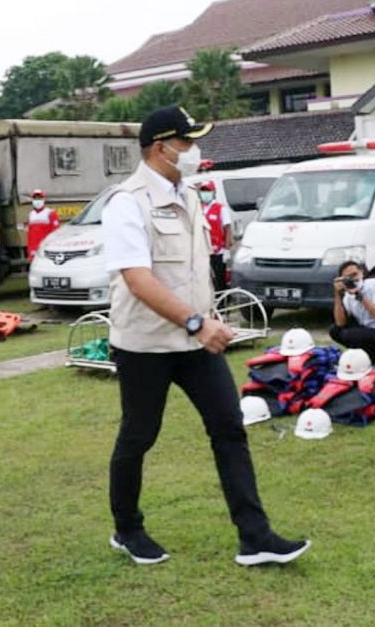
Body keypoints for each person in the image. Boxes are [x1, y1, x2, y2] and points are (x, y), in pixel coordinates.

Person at [102, 104, 310, 566]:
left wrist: (207, 318)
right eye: (188, 142)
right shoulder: (126, 202)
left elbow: (195, 271)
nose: (195, 151)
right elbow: (138, 278)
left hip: (196, 339)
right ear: (161, 148)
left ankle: (255, 537)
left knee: (229, 428)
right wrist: (195, 322)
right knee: (139, 434)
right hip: (147, 343)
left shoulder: (190, 194)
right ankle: (127, 529)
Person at [329, 260, 375, 364]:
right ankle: (374, 355)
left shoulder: (373, 284)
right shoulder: (347, 297)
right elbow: (340, 323)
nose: (353, 279)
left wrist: (358, 295)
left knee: (351, 335)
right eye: (348, 278)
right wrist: (337, 294)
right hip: (370, 332)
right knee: (335, 330)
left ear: (362, 273)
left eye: (355, 274)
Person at [198, 180, 232, 291]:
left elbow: (228, 229)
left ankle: (222, 304)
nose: (205, 193)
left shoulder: (220, 209)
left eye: (208, 191)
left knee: (219, 279)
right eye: (203, 191)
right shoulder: (199, 208)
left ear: (213, 192)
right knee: (206, 279)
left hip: (218, 251)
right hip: (203, 250)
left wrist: (227, 249)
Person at [26, 189, 60, 261]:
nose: (37, 201)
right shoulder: (31, 214)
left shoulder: (50, 213)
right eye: (35, 198)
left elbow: (55, 232)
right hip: (34, 249)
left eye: (39, 198)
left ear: (43, 200)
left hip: (45, 247)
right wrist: (29, 250)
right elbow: (30, 234)